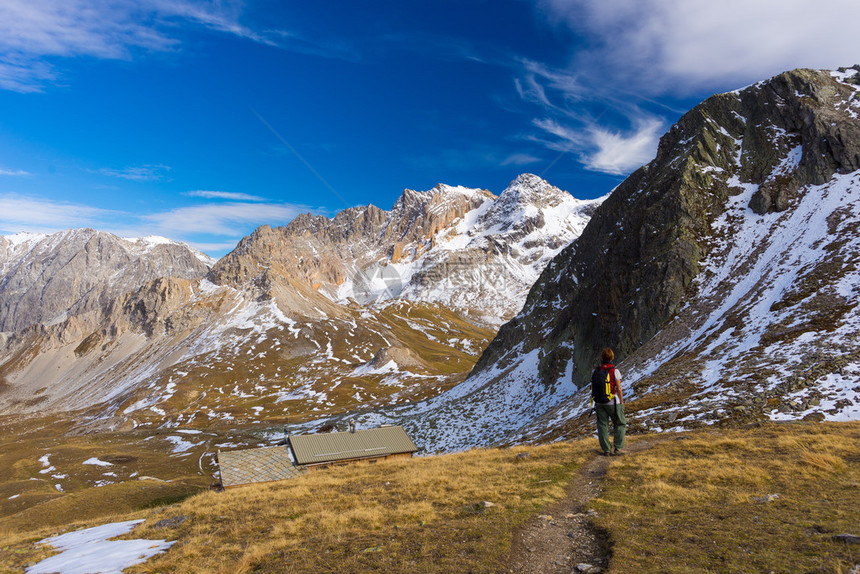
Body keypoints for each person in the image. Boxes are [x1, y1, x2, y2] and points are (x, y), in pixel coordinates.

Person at [592, 347, 626, 456]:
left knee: (602, 425)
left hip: (599, 402)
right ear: (612, 357)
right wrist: (621, 401)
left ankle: (606, 450)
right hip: (612, 402)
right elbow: (619, 388)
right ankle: (618, 448)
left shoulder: (595, 371)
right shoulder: (614, 371)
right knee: (619, 423)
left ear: (602, 357)